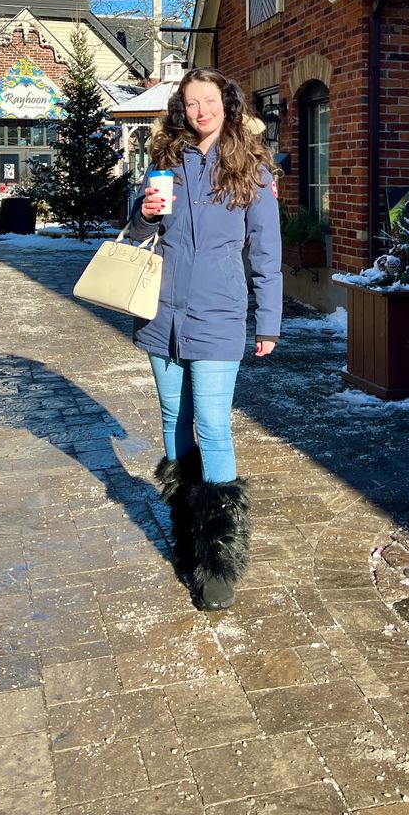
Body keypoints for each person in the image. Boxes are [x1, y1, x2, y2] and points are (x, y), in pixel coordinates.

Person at [127, 68, 282, 610]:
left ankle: (219, 558)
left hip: (218, 314)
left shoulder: (252, 168)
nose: (201, 111)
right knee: (173, 419)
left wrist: (268, 322)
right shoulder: (167, 161)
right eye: (191, 103)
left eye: (209, 100)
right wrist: (143, 212)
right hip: (161, 314)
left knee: (213, 424)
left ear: (227, 104)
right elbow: (141, 230)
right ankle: (186, 532)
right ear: (182, 109)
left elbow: (265, 254)